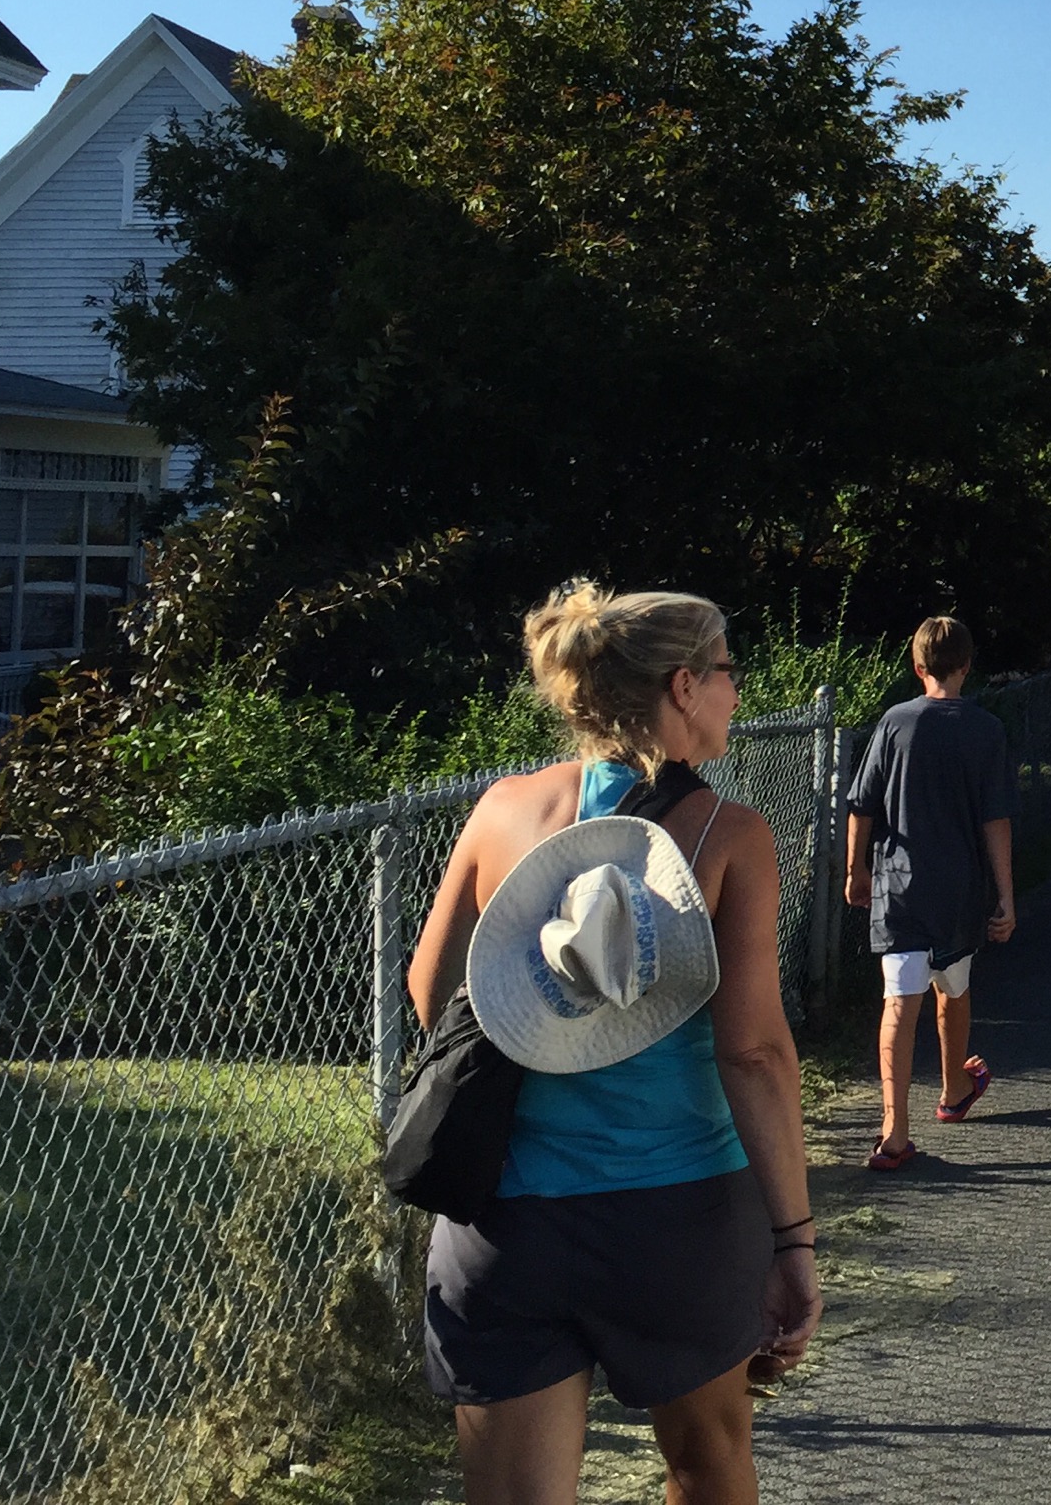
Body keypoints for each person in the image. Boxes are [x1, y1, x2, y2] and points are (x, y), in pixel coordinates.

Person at [404, 585, 822, 1505]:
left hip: (504, 1221)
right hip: (675, 1219)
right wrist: (793, 1239)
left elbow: (430, 991)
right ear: (683, 687)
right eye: (728, 672)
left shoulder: (503, 809)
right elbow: (753, 1054)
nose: (738, 693)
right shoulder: (726, 836)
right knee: (707, 1467)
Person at [844, 615, 1017, 1168]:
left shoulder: (894, 723)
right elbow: (995, 819)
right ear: (967, 666)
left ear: (917, 667)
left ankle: (893, 1131)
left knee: (899, 1002)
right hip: (960, 890)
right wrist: (1005, 896)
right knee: (954, 990)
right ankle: (953, 1090)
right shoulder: (986, 730)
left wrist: (855, 871)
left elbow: (862, 804)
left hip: (899, 886)